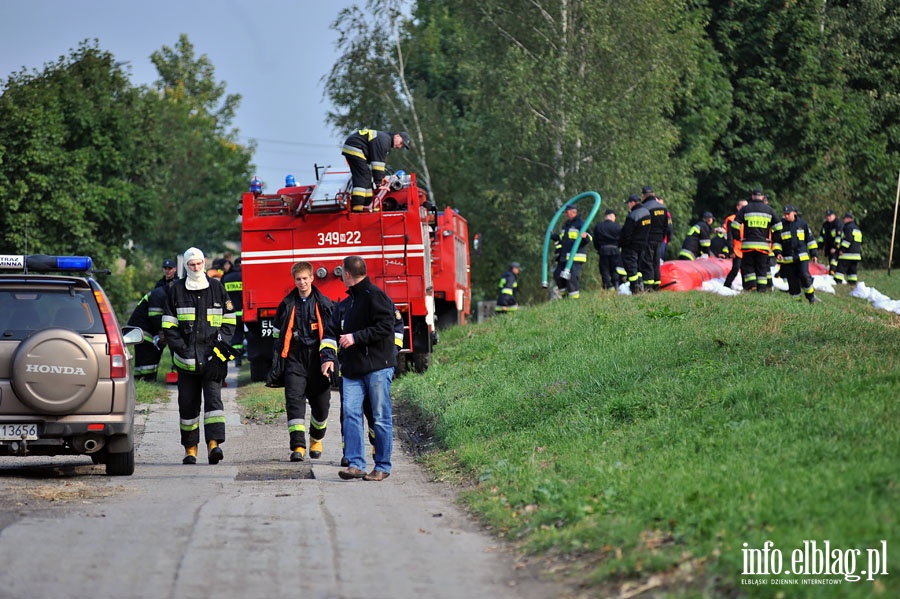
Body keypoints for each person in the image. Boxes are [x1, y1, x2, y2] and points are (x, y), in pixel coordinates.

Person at [321, 256, 397, 482]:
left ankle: (382, 466)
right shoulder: (345, 304)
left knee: (380, 418)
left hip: (377, 368)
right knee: (351, 414)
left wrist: (356, 337)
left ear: (346, 274)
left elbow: (386, 326)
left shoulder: (376, 296)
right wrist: (328, 358)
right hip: (353, 371)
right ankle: (356, 465)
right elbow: (330, 332)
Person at [162, 247, 237, 465]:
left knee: (214, 404)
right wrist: (183, 351)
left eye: (199, 264)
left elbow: (229, 322)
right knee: (188, 406)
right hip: (186, 363)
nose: (196, 268)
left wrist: (218, 352)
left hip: (213, 360)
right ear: (185, 266)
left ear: (205, 263)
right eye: (191, 265)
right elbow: (169, 325)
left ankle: (214, 446)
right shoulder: (176, 290)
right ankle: (190, 449)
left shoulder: (217, 287)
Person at [270, 262, 334, 462]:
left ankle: (316, 439)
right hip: (295, 360)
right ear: (294, 280)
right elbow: (277, 334)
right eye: (298, 279)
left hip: (318, 359)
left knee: (322, 407)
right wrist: (278, 359)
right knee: (294, 404)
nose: (302, 282)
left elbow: (331, 334)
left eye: (305, 278)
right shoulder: (287, 304)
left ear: (312, 278)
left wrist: (331, 359)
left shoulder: (324, 304)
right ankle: (298, 446)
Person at [341, 129, 410, 212]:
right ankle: (358, 206)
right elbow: (377, 164)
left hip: (354, 147)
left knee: (366, 175)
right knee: (363, 175)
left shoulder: (385, 140)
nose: (400, 146)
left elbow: (377, 164)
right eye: (401, 143)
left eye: (402, 146)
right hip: (355, 148)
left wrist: (382, 177)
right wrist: (379, 183)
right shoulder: (384, 140)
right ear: (397, 136)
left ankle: (367, 205)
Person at [732, 189, 781, 292]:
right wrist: (773, 239)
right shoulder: (769, 210)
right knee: (762, 268)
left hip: (748, 245)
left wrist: (737, 237)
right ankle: (762, 289)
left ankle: (751, 286)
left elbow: (735, 224)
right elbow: (778, 225)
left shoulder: (745, 209)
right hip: (763, 245)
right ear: (763, 197)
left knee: (748, 266)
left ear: (752, 196)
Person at [774, 205, 819, 303]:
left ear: (794, 213)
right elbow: (777, 242)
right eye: (784, 214)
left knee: (804, 276)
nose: (786, 216)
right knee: (792, 282)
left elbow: (810, 240)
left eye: (788, 214)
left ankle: (811, 297)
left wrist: (814, 254)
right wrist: (777, 252)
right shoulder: (781, 226)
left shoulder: (802, 224)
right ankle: (797, 302)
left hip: (801, 258)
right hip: (788, 259)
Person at [126, 282, 171, 381]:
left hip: (146, 328)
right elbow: (155, 316)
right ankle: (145, 379)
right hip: (143, 329)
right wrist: (162, 333)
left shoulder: (164, 293)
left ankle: (145, 378)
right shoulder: (159, 294)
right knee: (148, 354)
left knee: (151, 354)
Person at [552, 204, 592, 299]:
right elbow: (563, 239)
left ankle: (574, 299)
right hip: (564, 257)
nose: (566, 215)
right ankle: (565, 297)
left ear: (574, 212)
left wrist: (585, 237)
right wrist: (554, 237)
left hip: (575, 256)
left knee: (571, 277)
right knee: (557, 275)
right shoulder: (566, 225)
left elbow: (590, 237)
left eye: (567, 212)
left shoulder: (581, 223)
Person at [640, 186, 673, 291]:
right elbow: (667, 226)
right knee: (656, 262)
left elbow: (643, 226)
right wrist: (663, 238)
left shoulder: (644, 208)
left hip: (648, 239)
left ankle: (648, 287)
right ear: (653, 195)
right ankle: (656, 285)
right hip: (659, 240)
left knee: (647, 262)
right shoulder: (663, 208)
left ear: (644, 195)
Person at [619, 194, 651, 294]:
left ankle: (634, 289)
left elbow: (626, 233)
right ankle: (640, 284)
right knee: (639, 268)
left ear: (632, 202)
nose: (628, 205)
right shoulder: (647, 212)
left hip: (631, 246)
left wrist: (621, 244)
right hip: (643, 245)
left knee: (631, 269)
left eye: (628, 203)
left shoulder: (633, 215)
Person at [221, 257, 244, 365]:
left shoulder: (226, 278)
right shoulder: (243, 276)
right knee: (249, 335)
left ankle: (237, 358)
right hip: (244, 312)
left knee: (236, 335)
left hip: (231, 313)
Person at [592, 208, 622, 290]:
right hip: (615, 250)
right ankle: (616, 284)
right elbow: (622, 239)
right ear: (612, 216)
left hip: (603, 250)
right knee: (615, 269)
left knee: (604, 270)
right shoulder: (617, 226)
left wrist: (598, 249)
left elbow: (595, 240)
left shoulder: (599, 226)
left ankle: (607, 286)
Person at [723, 199, 748, 289]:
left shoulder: (748, 219)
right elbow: (730, 236)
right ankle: (727, 285)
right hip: (736, 248)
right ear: (738, 207)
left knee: (746, 269)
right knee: (736, 268)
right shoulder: (731, 219)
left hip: (746, 247)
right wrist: (731, 249)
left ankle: (747, 288)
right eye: (743, 206)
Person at [834, 213, 863, 286]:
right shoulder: (857, 229)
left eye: (845, 218)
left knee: (840, 269)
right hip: (856, 255)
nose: (844, 220)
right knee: (852, 270)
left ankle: (838, 282)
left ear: (849, 219)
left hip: (847, 254)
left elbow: (847, 240)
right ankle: (852, 283)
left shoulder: (848, 228)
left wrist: (842, 250)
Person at [818, 209, 842, 275]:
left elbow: (839, 237)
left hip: (836, 246)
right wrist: (820, 247)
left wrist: (835, 247)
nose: (828, 217)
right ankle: (832, 272)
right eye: (827, 216)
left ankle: (833, 272)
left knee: (834, 260)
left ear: (834, 216)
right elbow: (821, 237)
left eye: (830, 216)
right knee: (830, 259)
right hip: (828, 246)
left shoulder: (838, 223)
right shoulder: (825, 225)